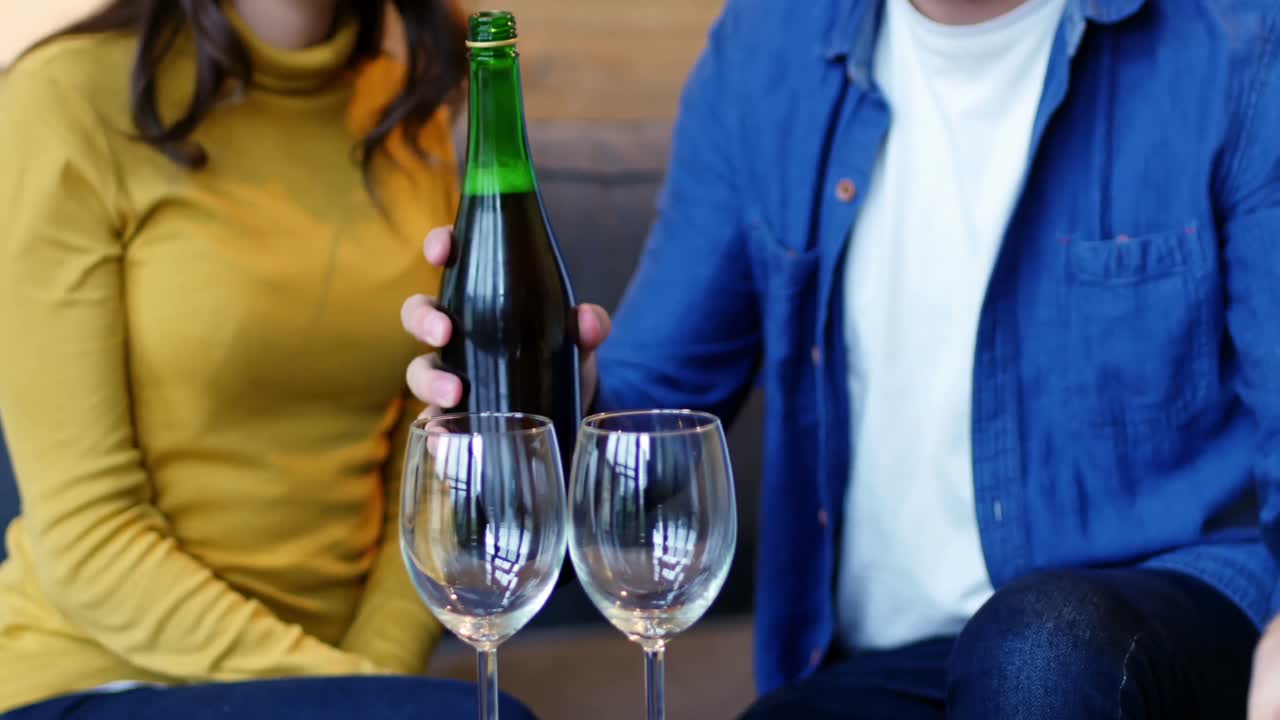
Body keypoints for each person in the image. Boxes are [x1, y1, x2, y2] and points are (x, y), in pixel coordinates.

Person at [403, 0, 1280, 717]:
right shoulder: (768, 46)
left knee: (1039, 648)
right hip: (888, 662)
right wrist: (535, 392)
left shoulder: (1234, 42)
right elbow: (646, 415)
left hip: (1171, 626)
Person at [0, 1, 534, 718]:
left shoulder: (409, 109)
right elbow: (86, 533)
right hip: (93, 674)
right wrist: (356, 698)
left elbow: (431, 473)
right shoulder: (61, 100)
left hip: (340, 682)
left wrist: (369, 685)